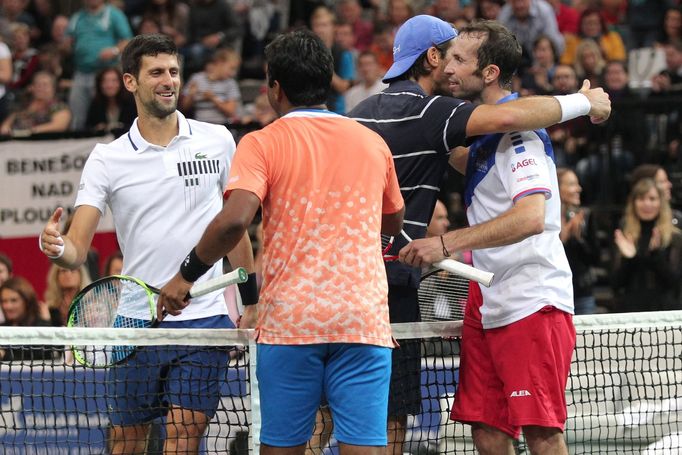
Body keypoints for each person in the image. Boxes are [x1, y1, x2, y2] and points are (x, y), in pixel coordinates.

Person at [348, 15, 609, 453]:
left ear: (488, 73)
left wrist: (445, 243)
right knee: (486, 432)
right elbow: (453, 154)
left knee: (542, 432)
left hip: (530, 300)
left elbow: (530, 218)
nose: (448, 68)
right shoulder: (482, 138)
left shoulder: (521, 136)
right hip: (488, 304)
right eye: (446, 58)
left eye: (459, 60)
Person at [157, 28, 405, 454]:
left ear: (275, 88)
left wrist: (186, 276)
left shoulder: (261, 142)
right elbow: (393, 217)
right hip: (362, 320)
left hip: (292, 324)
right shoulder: (372, 142)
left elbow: (235, 221)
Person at [38, 33, 256, 454]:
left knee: (183, 435)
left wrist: (250, 299)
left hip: (204, 317)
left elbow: (233, 230)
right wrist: (57, 247)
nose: (168, 80)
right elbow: (76, 250)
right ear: (130, 82)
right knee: (126, 440)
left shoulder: (218, 140)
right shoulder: (107, 158)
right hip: (136, 321)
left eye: (174, 71)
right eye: (156, 72)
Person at [612, 178, 682, 312]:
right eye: (641, 199)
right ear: (633, 203)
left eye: (652, 199)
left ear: (661, 202)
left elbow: (674, 282)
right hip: (630, 312)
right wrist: (629, 259)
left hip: (665, 312)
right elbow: (615, 284)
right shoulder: (625, 234)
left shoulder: (675, 236)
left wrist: (655, 255)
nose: (647, 204)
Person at [65, 0, 133, 131]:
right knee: (76, 115)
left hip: (105, 73)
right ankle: (77, 146)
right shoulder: (77, 17)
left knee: (101, 110)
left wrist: (114, 50)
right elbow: (67, 41)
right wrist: (66, 45)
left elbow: (128, 40)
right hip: (80, 72)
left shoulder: (113, 14)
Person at [557, 167, 600, 315]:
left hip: (581, 293)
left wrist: (579, 239)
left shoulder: (585, 217)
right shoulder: (545, 220)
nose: (578, 189)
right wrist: (561, 240)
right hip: (556, 294)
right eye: (571, 184)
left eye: (577, 184)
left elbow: (595, 258)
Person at [0, 276, 58, 361]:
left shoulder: (40, 324)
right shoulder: (2, 328)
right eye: (4, 301)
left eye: (14, 300)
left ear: (26, 301)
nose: (8, 306)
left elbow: (40, 354)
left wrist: (45, 323)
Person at [180, 48, 242, 125]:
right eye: (231, 68)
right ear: (220, 63)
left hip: (222, 125)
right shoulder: (197, 78)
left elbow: (231, 111)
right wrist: (191, 95)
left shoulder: (230, 83)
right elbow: (184, 107)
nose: (233, 73)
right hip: (199, 125)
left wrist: (213, 99)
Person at [0, 70, 71, 136]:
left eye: (45, 85)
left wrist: (30, 131)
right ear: (32, 87)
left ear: (53, 88)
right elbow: (6, 125)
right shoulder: (23, 105)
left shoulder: (59, 107)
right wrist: (6, 128)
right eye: (38, 85)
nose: (41, 88)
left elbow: (60, 126)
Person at [85, 66, 136, 135]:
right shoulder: (96, 104)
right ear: (99, 84)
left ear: (122, 83)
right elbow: (88, 128)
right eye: (105, 81)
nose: (110, 85)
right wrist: (98, 129)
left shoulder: (131, 103)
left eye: (114, 81)